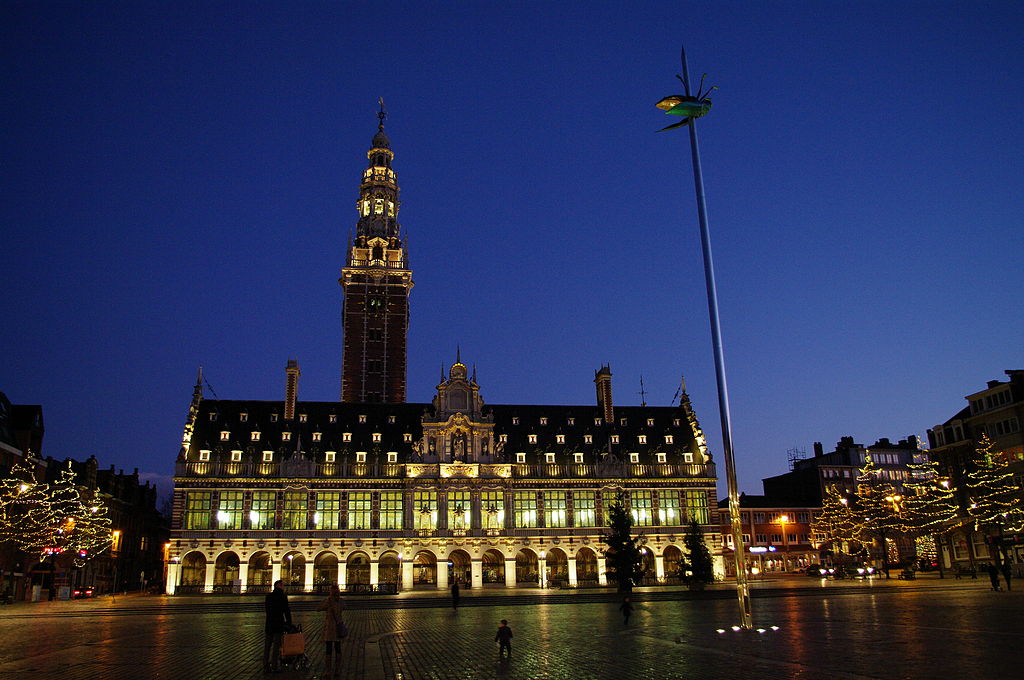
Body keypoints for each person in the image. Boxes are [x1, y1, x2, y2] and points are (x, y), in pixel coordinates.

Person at [264, 579, 292, 671]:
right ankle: (274, 666)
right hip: (278, 623)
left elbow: (267, 610)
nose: (284, 587)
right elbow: (286, 611)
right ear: (279, 586)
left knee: (267, 645)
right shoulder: (282, 596)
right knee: (276, 645)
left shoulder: (268, 596)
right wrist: (289, 623)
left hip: (269, 623)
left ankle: (265, 665)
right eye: (282, 585)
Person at [318, 584, 346, 676]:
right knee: (338, 649)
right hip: (338, 627)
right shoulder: (341, 601)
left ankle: (328, 670)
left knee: (328, 649)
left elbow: (318, 608)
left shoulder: (328, 601)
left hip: (330, 628)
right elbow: (344, 607)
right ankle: (337, 669)